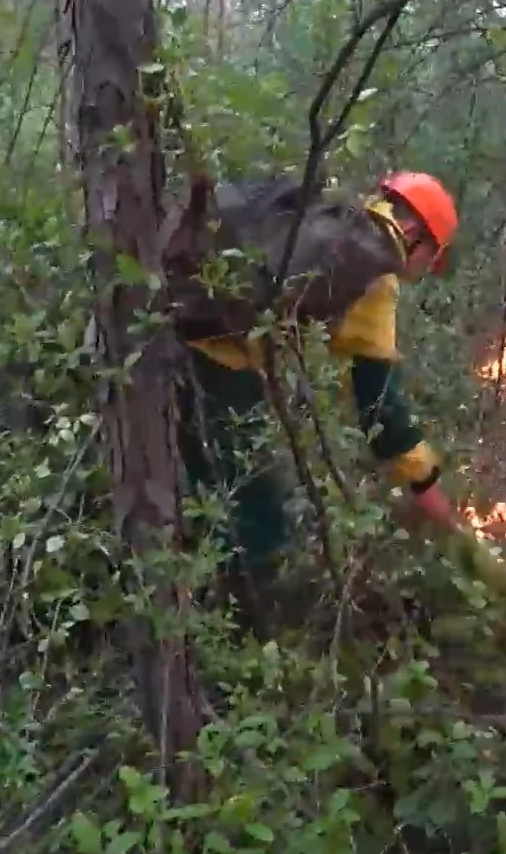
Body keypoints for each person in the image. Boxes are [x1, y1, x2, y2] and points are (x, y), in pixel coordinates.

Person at [177, 170, 463, 618]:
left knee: (203, 496)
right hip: (215, 365)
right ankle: (239, 645)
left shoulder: (327, 212)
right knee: (260, 522)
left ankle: (191, 606)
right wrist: (440, 510)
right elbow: (382, 413)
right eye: (432, 258)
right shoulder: (374, 269)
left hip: (169, 325)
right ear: (414, 234)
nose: (425, 271)